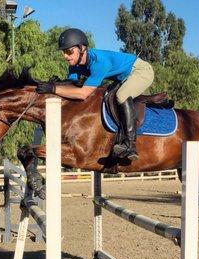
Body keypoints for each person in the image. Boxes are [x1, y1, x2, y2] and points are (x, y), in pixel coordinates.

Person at [36, 28, 154, 160]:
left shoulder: (99, 62)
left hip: (141, 71)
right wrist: (58, 84)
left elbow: (83, 93)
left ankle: (130, 144)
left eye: (69, 51)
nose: (65, 56)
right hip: (123, 78)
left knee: (121, 95)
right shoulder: (74, 64)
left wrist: (53, 89)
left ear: (81, 48)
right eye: (64, 52)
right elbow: (72, 84)